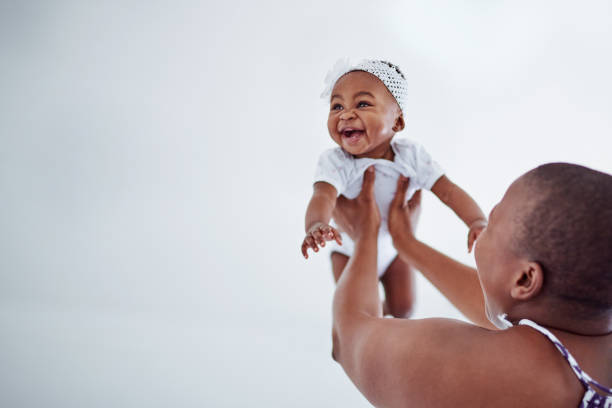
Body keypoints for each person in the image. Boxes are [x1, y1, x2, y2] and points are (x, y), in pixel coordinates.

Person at [330, 163, 612, 407]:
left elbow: (348, 336)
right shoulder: (589, 329)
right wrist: (406, 244)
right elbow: (513, 307)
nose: (482, 230)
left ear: (525, 279)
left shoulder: (511, 375)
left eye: (492, 223)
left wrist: (366, 234)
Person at [301, 59, 487, 318]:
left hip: (395, 250)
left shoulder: (410, 156)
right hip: (348, 250)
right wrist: (316, 224)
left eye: (362, 104)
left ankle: (385, 321)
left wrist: (476, 220)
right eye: (337, 106)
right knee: (356, 313)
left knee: (405, 309)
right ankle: (348, 332)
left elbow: (448, 191)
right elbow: (323, 196)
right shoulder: (336, 161)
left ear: (397, 122)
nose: (346, 114)